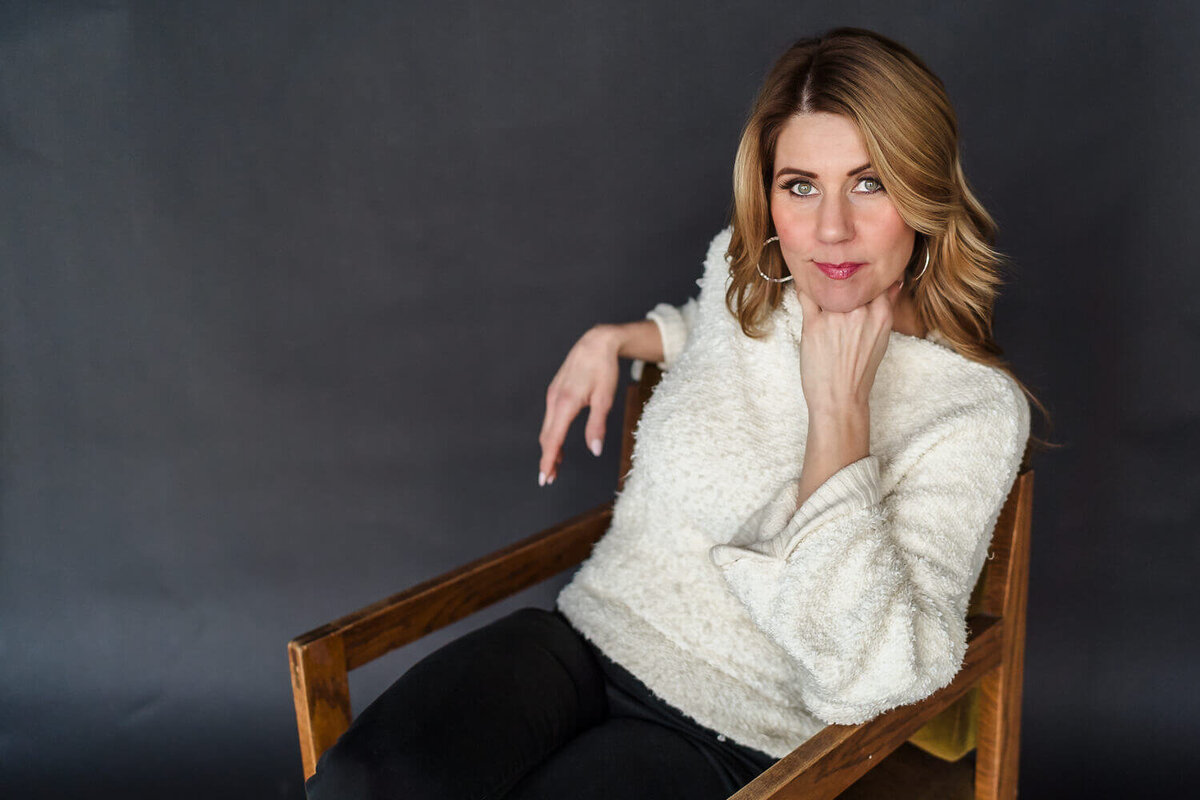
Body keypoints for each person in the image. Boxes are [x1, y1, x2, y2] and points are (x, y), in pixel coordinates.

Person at [305, 26, 1050, 800]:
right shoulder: (751, 278)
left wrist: (840, 414)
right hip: (588, 635)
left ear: (925, 191)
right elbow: (717, 328)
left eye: (870, 183)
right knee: (364, 779)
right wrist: (622, 338)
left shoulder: (972, 411)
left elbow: (878, 671)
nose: (831, 229)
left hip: (739, 730)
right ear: (768, 197)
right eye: (800, 186)